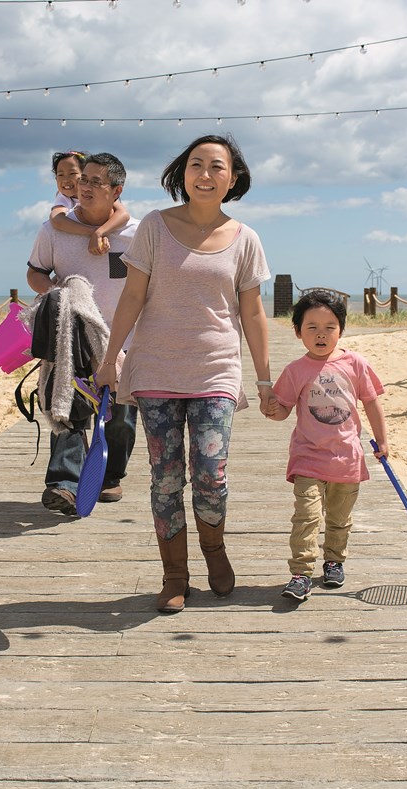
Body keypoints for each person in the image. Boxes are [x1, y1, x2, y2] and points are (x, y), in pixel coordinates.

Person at [95, 134, 272, 614]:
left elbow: (252, 313)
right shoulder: (154, 226)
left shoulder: (245, 238)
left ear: (232, 179)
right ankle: (175, 573)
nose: (205, 174)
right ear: (182, 172)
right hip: (155, 367)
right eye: (197, 164)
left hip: (216, 368)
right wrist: (111, 360)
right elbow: (132, 296)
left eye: (217, 166)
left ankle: (214, 551)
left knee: (211, 474)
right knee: (166, 477)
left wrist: (263, 377)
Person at [27, 152, 138, 516]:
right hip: (70, 336)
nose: (84, 187)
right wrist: (55, 296)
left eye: (95, 182)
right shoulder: (53, 231)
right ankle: (64, 483)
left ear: (116, 190)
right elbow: (36, 273)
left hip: (124, 340)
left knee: (119, 417)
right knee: (67, 407)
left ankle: (109, 476)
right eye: (83, 180)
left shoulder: (137, 234)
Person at [261, 290, 389, 603]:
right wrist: (271, 409)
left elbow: (371, 401)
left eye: (330, 327)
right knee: (305, 517)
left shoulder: (355, 363)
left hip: (346, 459)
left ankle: (334, 561)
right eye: (312, 327)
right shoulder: (295, 370)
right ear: (298, 332)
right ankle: (301, 573)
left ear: (341, 330)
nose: (321, 334)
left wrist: (382, 439)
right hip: (308, 458)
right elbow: (283, 411)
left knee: (339, 518)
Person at [49, 151, 131, 256]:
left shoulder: (99, 195)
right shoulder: (63, 197)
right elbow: (57, 220)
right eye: (60, 174)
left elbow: (124, 214)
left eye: (72, 173)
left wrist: (100, 232)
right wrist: (93, 233)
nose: (66, 179)